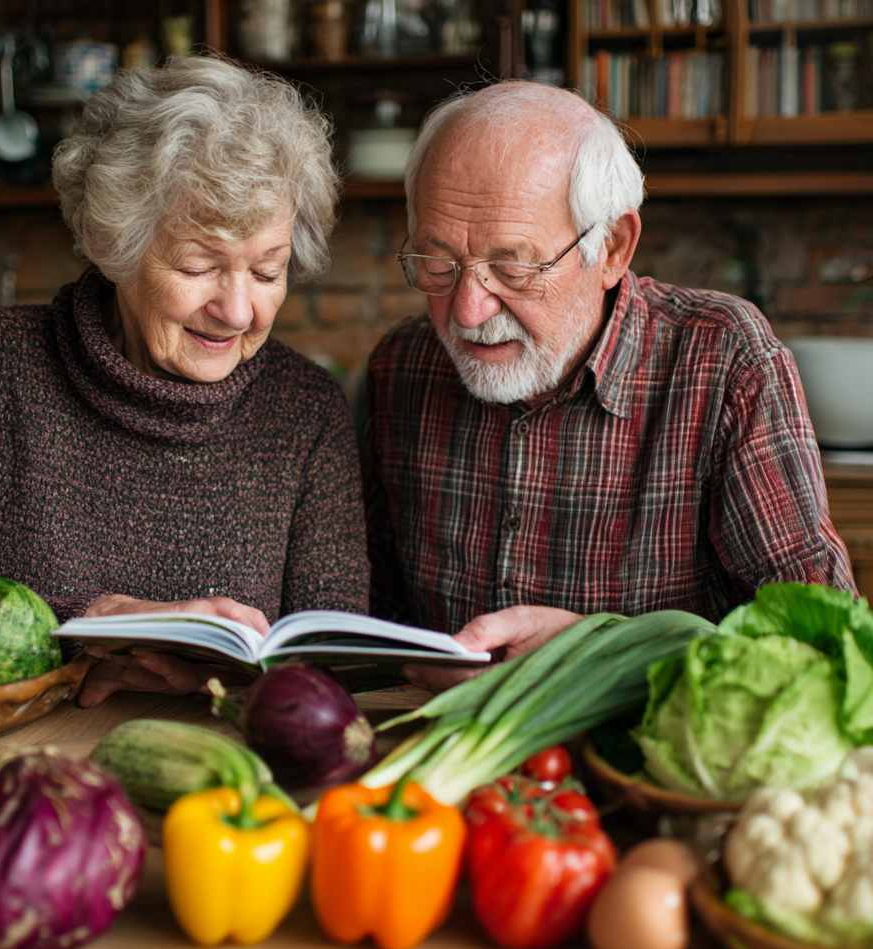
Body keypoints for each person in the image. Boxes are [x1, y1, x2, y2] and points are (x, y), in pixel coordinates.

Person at [0, 57, 369, 707]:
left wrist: (226, 678)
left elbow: (334, 655)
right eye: (198, 265)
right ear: (113, 242)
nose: (239, 311)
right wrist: (85, 624)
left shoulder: (307, 410)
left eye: (268, 272)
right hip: (9, 760)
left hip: (218, 768)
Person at [362, 81, 855, 692]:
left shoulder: (721, 361)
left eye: (515, 267)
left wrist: (606, 652)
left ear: (613, 248)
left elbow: (826, 642)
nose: (466, 311)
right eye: (437, 264)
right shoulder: (403, 366)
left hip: (647, 762)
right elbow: (371, 617)